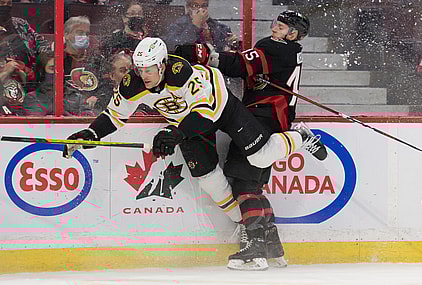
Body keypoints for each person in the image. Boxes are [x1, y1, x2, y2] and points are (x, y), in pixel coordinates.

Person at [62, 37, 327, 270]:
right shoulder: (132, 84)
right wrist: (91, 134)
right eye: (140, 69)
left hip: (222, 109)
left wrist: (176, 133)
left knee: (259, 156)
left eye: (150, 69)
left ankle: (300, 137)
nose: (145, 75)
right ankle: (252, 229)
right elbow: (115, 115)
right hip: (187, 124)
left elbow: (207, 111)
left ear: (163, 65)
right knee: (208, 180)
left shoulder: (182, 73)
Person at [174, 10, 311, 270]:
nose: (274, 29)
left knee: (242, 186)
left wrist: (203, 55)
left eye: (281, 27)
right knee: (253, 186)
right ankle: (273, 247)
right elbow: (257, 68)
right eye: (275, 24)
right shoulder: (290, 53)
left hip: (259, 122)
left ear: (292, 34)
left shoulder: (273, 48)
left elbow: (237, 64)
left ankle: (254, 250)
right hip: (275, 122)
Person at [0, 0, 50, 115]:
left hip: (28, 83)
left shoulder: (20, 24)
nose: (5, 7)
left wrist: (46, 57)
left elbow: (41, 43)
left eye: (9, 3)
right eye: (2, 3)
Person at [63, 16, 110, 115]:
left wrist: (97, 97)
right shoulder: (58, 59)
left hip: (94, 110)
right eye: (80, 33)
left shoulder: (97, 59)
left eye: (87, 34)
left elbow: (107, 85)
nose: (84, 36)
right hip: (66, 110)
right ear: (66, 35)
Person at [163, 0, 239, 53]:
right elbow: (173, 46)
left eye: (204, 6)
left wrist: (233, 43)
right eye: (195, 5)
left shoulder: (219, 27)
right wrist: (195, 25)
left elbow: (225, 50)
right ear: (188, 7)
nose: (200, 9)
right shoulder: (178, 25)